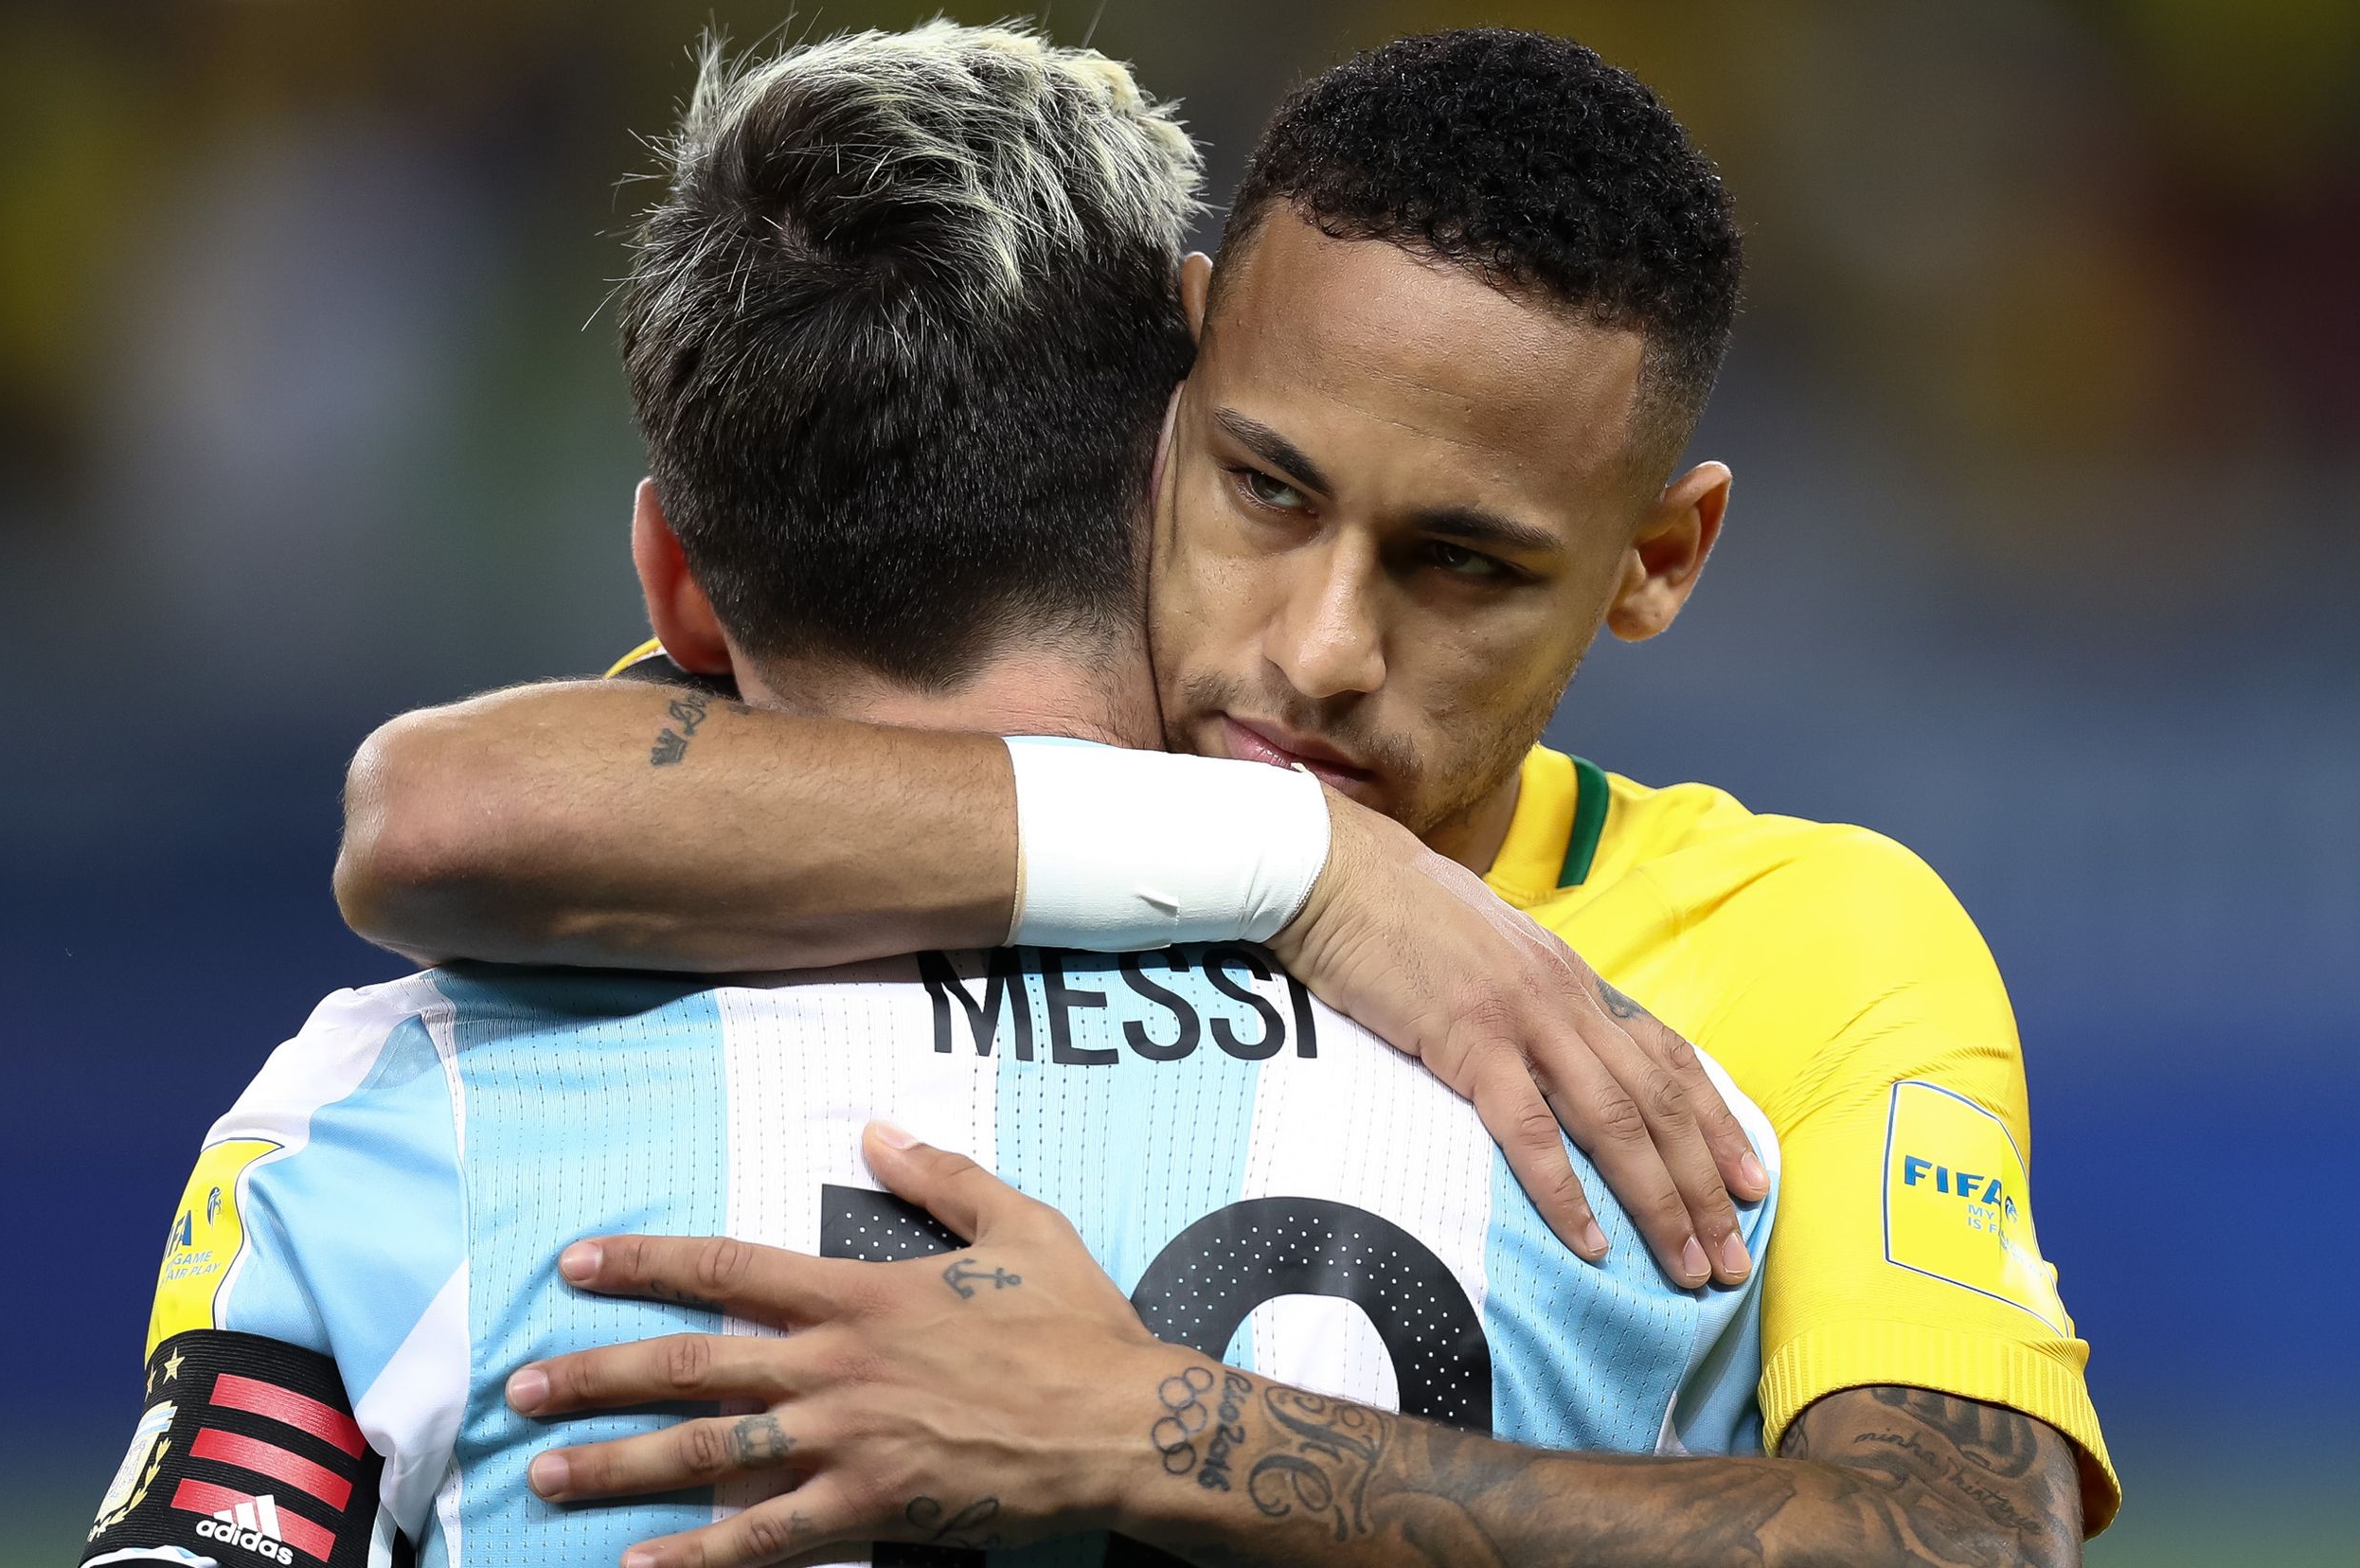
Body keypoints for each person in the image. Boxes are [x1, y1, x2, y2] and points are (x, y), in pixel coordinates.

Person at [335, 24, 2121, 1567]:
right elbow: (444, 808)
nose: (1324, 647)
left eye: (1463, 565)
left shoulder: (1807, 944)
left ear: (1656, 560)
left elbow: (1957, 1539)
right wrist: (1304, 863)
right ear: (1181, 385)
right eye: (1269, 489)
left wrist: (1153, 1427)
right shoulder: (891, 799)